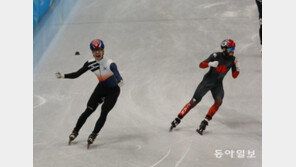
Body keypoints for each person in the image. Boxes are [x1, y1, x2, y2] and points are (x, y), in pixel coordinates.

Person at [55, 39, 124, 148]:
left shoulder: (110, 63)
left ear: (103, 50)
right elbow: (77, 74)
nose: (97, 52)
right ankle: (75, 131)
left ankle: (94, 133)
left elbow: (117, 75)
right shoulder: (90, 63)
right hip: (101, 88)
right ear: (92, 51)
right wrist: (64, 75)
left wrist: (120, 81)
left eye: (99, 50)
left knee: (104, 111)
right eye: (95, 50)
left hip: (113, 91)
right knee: (88, 110)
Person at [169, 39, 240, 135]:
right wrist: (209, 64)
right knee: (193, 102)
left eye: (234, 48)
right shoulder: (216, 55)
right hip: (207, 82)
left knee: (219, 101)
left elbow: (234, 76)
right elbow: (201, 65)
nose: (233, 50)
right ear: (224, 49)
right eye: (231, 48)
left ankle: (205, 121)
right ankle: (178, 118)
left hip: (218, 84)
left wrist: (237, 67)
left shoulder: (232, 60)